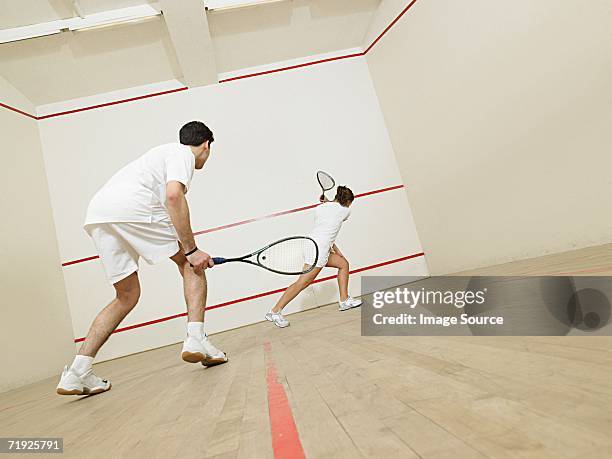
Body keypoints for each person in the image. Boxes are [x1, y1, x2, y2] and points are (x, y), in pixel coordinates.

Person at [56, 121, 227, 396]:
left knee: (126, 295)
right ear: (206, 145)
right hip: (131, 205)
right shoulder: (183, 154)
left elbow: (167, 200)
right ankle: (196, 339)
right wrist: (192, 251)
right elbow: (174, 196)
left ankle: (76, 372)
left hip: (99, 214)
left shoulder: (156, 158)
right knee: (189, 263)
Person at [265, 186, 362, 328]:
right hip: (320, 250)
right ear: (347, 202)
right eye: (349, 203)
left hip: (312, 243)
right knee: (302, 283)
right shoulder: (345, 211)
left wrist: (327, 202)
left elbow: (327, 228)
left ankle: (344, 300)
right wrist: (329, 202)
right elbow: (336, 215)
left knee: (343, 264)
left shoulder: (320, 208)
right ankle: (275, 311)